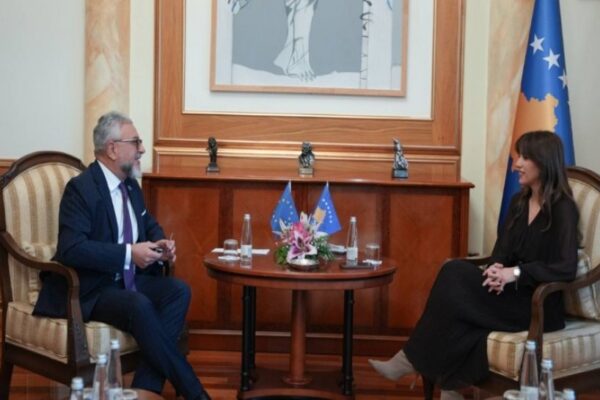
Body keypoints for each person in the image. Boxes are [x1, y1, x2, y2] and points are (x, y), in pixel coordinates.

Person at [369, 131, 579, 400]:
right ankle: (448, 385)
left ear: (544, 161)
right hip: (510, 293)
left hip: (539, 304)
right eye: (518, 157)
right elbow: (502, 251)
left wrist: (514, 273)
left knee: (456, 292)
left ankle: (416, 363)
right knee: (453, 271)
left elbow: (565, 267)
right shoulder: (519, 203)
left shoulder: (563, 208)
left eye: (525, 158)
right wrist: (495, 269)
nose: (516, 164)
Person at [33, 112, 211, 400]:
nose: (142, 149)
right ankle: (196, 394)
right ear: (113, 149)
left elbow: (147, 222)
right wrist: (129, 253)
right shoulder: (81, 189)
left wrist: (161, 244)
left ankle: (145, 389)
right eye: (136, 142)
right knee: (139, 304)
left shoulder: (130, 185)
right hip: (92, 288)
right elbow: (71, 248)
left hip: (125, 280)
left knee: (178, 291)